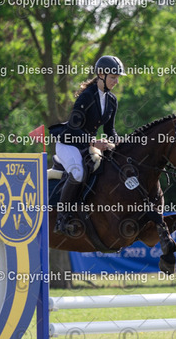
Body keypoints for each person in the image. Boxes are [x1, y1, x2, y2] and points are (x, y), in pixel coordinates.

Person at [54, 55, 126, 235]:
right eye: (113, 77)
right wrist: (94, 142)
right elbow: (73, 128)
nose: (116, 81)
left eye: (117, 77)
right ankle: (61, 218)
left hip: (88, 145)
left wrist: (121, 145)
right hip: (68, 143)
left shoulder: (112, 100)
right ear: (101, 74)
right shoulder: (86, 97)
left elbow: (110, 130)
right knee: (78, 173)